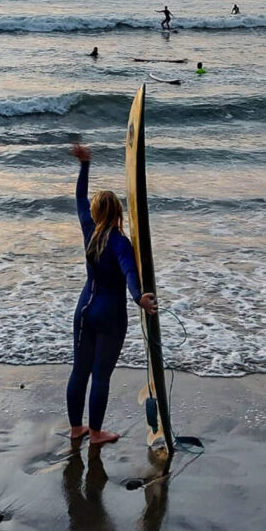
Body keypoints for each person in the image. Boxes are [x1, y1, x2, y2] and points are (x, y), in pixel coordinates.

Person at [67, 144, 157, 446]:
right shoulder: (120, 243)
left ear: (94, 212)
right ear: (120, 212)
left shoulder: (88, 229)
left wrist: (85, 165)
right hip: (110, 316)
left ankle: (76, 429)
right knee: (101, 375)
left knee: (80, 371)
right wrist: (139, 298)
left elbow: (80, 197)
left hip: (84, 309)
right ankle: (95, 434)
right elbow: (131, 273)